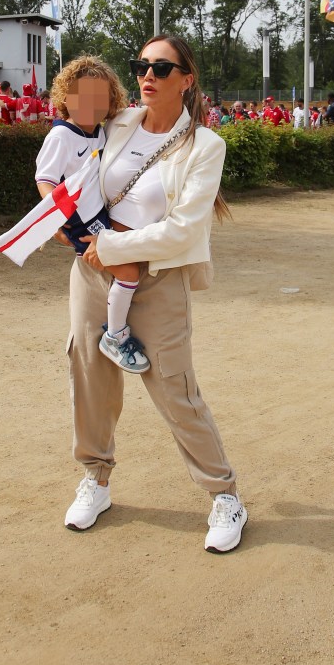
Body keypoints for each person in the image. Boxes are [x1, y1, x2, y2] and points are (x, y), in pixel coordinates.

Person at [62, 36, 247, 554]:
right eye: (141, 65)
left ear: (186, 80)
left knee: (174, 388)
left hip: (157, 279)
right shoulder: (117, 123)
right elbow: (67, 145)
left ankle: (224, 494)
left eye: (161, 67)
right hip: (93, 272)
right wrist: (63, 220)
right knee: (90, 374)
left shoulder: (205, 146)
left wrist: (112, 243)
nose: (148, 74)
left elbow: (183, 230)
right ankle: (96, 480)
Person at [35, 56, 149, 374]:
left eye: (100, 98)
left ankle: (116, 318)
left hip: (98, 213)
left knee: (131, 256)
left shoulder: (99, 132)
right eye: (82, 96)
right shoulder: (61, 136)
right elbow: (44, 179)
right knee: (127, 270)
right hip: (79, 219)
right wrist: (55, 214)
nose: (91, 104)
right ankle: (115, 335)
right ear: (65, 98)